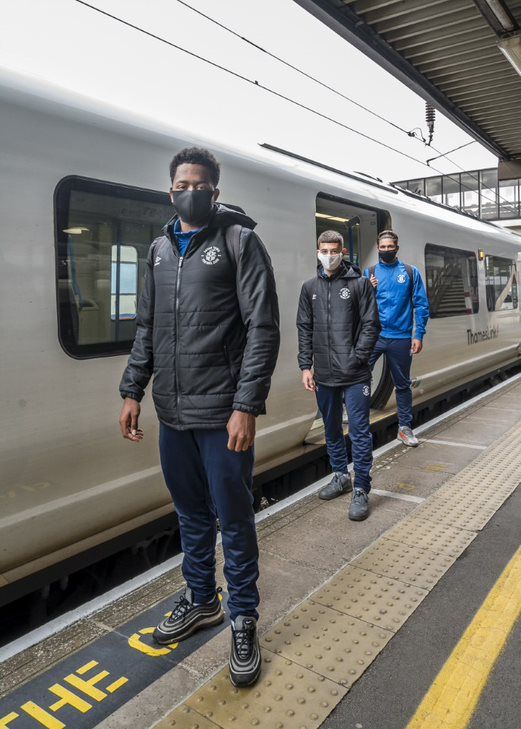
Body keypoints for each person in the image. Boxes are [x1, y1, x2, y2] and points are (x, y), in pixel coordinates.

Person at [118, 147, 280, 688]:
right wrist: (133, 389)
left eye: (202, 185)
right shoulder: (160, 250)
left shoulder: (240, 242)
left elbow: (263, 328)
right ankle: (202, 599)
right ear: (171, 191)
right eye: (183, 183)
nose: (192, 190)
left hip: (222, 413)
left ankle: (243, 618)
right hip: (173, 412)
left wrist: (246, 406)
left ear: (216, 190)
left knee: (232, 519)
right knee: (189, 514)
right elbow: (147, 326)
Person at [297, 230, 380, 521]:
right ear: (318, 251)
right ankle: (340, 476)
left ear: (343, 252)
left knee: (358, 431)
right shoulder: (310, 288)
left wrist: (357, 358)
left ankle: (361, 490)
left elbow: (372, 326)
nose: (329, 256)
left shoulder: (359, 285)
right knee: (331, 429)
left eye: (334, 251)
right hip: (324, 375)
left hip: (355, 375)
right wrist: (306, 366)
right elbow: (304, 328)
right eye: (324, 251)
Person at [364, 230, 430, 447]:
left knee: (402, 384)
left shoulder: (411, 273)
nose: (386, 251)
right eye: (382, 247)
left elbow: (421, 305)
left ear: (396, 248)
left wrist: (418, 334)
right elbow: (361, 307)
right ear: (378, 249)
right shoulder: (370, 272)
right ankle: (359, 420)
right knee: (359, 376)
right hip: (374, 337)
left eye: (389, 247)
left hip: (401, 337)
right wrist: (369, 290)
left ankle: (405, 428)